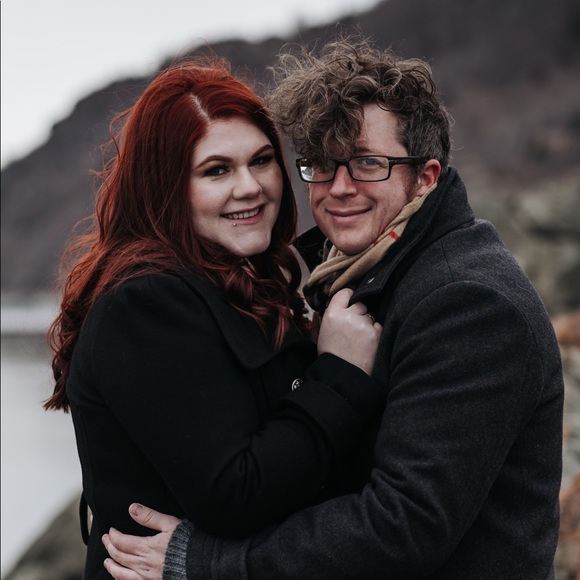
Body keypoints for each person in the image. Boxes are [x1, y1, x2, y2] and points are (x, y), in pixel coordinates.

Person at [102, 37, 565, 579]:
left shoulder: (467, 302)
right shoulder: (359, 275)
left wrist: (210, 561)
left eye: (368, 163)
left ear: (426, 176)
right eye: (323, 164)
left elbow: (403, 524)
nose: (340, 187)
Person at [43, 56, 387, 579]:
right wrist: (338, 374)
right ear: (166, 186)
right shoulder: (147, 303)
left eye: (262, 160)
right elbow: (235, 496)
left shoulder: (247, 285)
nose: (250, 187)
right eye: (216, 170)